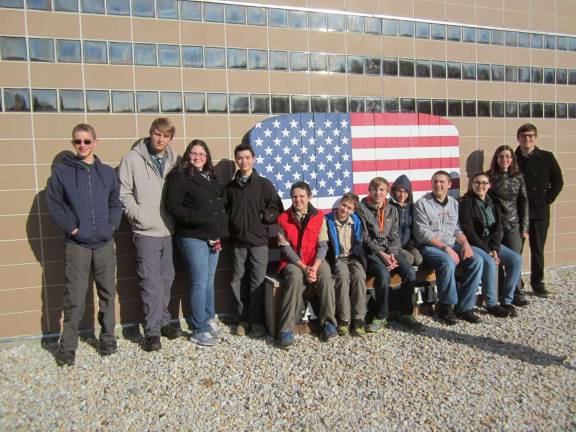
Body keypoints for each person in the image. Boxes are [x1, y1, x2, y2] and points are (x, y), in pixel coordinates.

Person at [46, 123, 122, 366]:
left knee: (107, 292)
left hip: (103, 243)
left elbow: (115, 203)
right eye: (77, 141)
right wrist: (73, 228)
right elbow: (55, 203)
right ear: (73, 143)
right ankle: (68, 347)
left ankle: (108, 338)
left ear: (95, 143)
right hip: (77, 244)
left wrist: (111, 226)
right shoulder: (62, 172)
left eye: (87, 141)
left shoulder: (107, 173)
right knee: (75, 296)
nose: (82, 145)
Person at [118, 118, 180, 352]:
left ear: (170, 138)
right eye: (157, 134)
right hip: (146, 232)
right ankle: (152, 332)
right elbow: (123, 193)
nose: (160, 139)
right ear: (150, 133)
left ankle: (164, 322)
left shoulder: (175, 160)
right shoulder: (132, 159)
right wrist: (138, 216)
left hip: (169, 231)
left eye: (165, 136)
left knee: (167, 279)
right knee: (150, 283)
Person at [165, 139, 229, 347]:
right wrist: (200, 217)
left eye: (202, 154)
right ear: (187, 155)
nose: (198, 157)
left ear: (207, 157)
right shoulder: (179, 176)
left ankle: (208, 319)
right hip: (193, 237)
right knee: (199, 282)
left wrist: (218, 230)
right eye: (194, 153)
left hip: (212, 236)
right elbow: (172, 206)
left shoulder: (209, 176)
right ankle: (198, 328)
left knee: (209, 281)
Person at [225, 143, 283, 338]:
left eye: (247, 157)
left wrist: (265, 217)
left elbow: (277, 207)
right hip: (237, 242)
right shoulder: (231, 187)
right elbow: (224, 211)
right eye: (240, 158)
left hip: (259, 241)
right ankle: (243, 319)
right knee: (237, 280)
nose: (244, 161)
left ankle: (257, 321)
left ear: (253, 159)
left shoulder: (264, 184)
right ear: (236, 160)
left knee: (257, 280)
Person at [413, 170, 483, 325]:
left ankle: (464, 308)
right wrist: (446, 248)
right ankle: (445, 307)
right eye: (435, 182)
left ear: (449, 184)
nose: (438, 184)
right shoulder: (422, 203)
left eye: (442, 182)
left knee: (476, 260)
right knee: (447, 261)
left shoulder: (454, 203)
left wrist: (465, 244)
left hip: (452, 244)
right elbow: (423, 234)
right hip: (431, 247)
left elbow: (457, 229)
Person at [358, 177, 424, 332]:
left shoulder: (392, 209)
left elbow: (395, 236)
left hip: (390, 250)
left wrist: (393, 254)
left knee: (409, 273)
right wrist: (383, 255)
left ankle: (406, 313)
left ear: (387, 191)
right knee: (383, 275)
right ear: (369, 191)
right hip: (373, 251)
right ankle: (381, 316)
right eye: (374, 189)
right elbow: (365, 238)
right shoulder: (362, 208)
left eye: (381, 190)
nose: (378, 193)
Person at [276, 182, 337, 349]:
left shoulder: (319, 217)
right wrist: (304, 268)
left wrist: (315, 267)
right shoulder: (282, 219)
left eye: (302, 196)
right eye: (295, 196)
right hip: (293, 262)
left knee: (325, 274)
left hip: (315, 260)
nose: (298, 199)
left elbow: (323, 246)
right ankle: (286, 331)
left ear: (309, 197)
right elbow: (285, 249)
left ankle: (328, 324)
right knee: (295, 277)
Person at [459, 172, 523, 318]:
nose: (480, 186)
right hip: (475, 243)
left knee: (516, 260)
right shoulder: (466, 202)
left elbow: (499, 226)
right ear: (472, 185)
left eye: (483, 183)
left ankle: (506, 300)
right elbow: (468, 230)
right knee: (490, 262)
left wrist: (494, 248)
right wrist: (488, 251)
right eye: (477, 183)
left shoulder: (493, 201)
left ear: (489, 185)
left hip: (491, 244)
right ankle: (492, 304)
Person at [514, 123, 563, 298]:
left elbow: (558, 182)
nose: (527, 139)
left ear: (535, 137)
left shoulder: (547, 157)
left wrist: (547, 200)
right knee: (515, 250)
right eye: (523, 136)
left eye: (530, 135)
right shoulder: (512, 159)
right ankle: (515, 284)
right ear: (518, 138)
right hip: (518, 214)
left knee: (538, 250)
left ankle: (537, 283)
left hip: (540, 212)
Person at [488, 145, 530, 307]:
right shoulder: (489, 176)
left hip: (513, 224)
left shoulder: (518, 177)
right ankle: (498, 293)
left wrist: (524, 227)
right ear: (496, 159)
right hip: (495, 225)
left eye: (508, 156)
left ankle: (516, 293)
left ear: (512, 159)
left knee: (515, 261)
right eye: (501, 156)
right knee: (496, 260)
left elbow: (524, 202)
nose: (504, 159)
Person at [325, 192, 367, 337]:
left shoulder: (356, 221)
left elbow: (359, 241)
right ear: (339, 204)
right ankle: (344, 319)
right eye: (344, 205)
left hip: (353, 256)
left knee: (359, 276)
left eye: (349, 208)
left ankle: (359, 318)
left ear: (353, 210)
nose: (345, 209)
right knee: (342, 277)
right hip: (338, 258)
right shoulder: (328, 220)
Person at [389, 175, 423, 267]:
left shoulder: (411, 207)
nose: (402, 195)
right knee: (409, 259)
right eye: (399, 191)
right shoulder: (389, 206)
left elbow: (413, 227)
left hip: (408, 244)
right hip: (394, 245)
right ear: (394, 191)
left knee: (419, 260)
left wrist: (412, 243)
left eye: (405, 191)